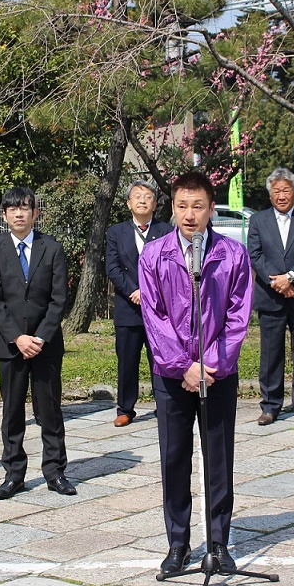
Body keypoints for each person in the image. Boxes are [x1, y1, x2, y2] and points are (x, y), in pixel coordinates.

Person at [140, 171, 252, 575]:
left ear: (211, 208)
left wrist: (212, 365)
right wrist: (182, 365)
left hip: (217, 373)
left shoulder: (232, 254)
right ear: (172, 206)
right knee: (174, 458)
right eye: (183, 206)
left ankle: (219, 542)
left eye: (198, 206)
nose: (190, 215)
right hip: (173, 376)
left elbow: (238, 316)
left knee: (218, 457)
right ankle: (178, 544)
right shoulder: (154, 254)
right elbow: (154, 317)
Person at [0, 187, 74, 499]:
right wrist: (17, 337)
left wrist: (39, 336)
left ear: (35, 213)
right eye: (12, 209)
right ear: (5, 215)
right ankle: (13, 473)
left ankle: (55, 471)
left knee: (49, 409)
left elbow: (59, 298)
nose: (19, 214)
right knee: (12, 411)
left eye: (25, 208)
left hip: (45, 343)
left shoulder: (52, 248)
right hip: (10, 344)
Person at [247, 168, 294, 425]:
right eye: (276, 191)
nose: (281, 195)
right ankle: (270, 405)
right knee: (271, 353)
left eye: (286, 190)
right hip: (270, 296)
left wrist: (290, 278)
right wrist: (277, 282)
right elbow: (255, 256)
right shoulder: (258, 220)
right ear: (270, 194)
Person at [105, 181, 171, 427]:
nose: (143, 200)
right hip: (128, 307)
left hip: (160, 309)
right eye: (137, 196)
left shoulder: (166, 231)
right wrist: (133, 290)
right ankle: (125, 409)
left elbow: (171, 266)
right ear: (128, 203)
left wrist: (151, 293)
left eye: (148, 196)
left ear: (155, 203)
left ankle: (164, 405)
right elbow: (111, 267)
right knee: (127, 361)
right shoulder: (116, 232)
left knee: (161, 360)